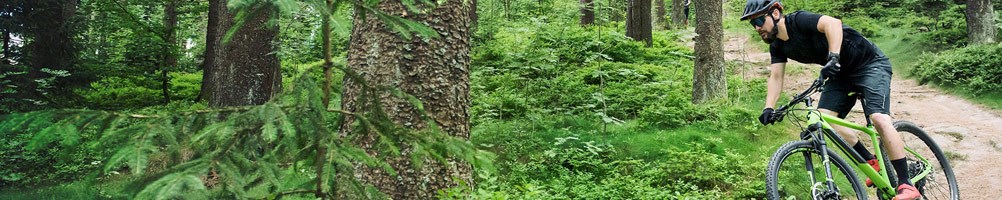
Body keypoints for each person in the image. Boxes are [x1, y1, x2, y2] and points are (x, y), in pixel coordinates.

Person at [739, 0, 921, 199]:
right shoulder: (777, 46)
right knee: (823, 118)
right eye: (752, 23)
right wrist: (769, 108)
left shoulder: (798, 20)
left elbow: (833, 23)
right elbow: (776, 77)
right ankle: (871, 160)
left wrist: (833, 57)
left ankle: (906, 183)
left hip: (869, 65)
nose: (757, 27)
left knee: (878, 118)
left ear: (775, 14)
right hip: (840, 75)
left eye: (758, 19)